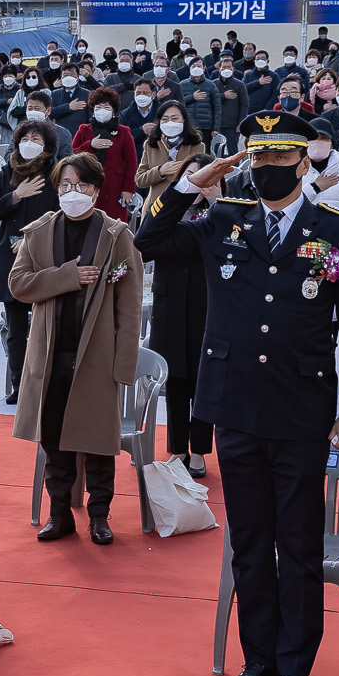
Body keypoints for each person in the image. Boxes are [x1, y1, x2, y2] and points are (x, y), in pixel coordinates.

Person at [135, 112, 339, 676]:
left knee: (296, 545)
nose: (266, 169)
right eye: (257, 159)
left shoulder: (336, 230)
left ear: (302, 161)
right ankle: (258, 660)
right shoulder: (222, 220)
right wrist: (189, 183)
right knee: (249, 543)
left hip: (300, 410)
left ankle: (296, 668)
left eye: (278, 159)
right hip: (236, 405)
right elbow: (149, 241)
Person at [8, 152, 143, 544]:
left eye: (81, 185)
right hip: (50, 354)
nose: (72, 192)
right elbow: (19, 285)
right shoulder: (39, 232)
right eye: (65, 185)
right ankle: (59, 513)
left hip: (96, 355)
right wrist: (68, 276)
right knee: (54, 438)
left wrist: (123, 366)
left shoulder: (117, 235)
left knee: (99, 439)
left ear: (96, 190)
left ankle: (100, 515)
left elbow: (130, 306)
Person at [145, 149, 214, 477]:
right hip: (170, 306)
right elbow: (146, 241)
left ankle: (199, 449)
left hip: (208, 307)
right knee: (175, 382)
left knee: (203, 381)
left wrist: (216, 201)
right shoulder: (167, 209)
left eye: (205, 175)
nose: (198, 181)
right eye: (191, 175)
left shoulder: (224, 212)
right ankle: (177, 448)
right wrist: (178, 196)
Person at [0, 119, 63, 404]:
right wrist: (16, 196)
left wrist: (34, 240)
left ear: (47, 145)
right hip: (11, 259)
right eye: (25, 137)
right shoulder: (7, 173)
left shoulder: (55, 174)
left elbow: (62, 216)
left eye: (37, 138)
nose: (30, 142)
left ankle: (48, 383)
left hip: (44, 258)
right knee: (16, 330)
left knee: (46, 326)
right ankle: (19, 385)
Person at [69, 86, 138, 219]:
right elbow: (72, 154)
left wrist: (128, 189)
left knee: (113, 223)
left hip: (114, 187)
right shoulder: (84, 130)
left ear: (113, 111)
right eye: (98, 107)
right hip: (87, 184)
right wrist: (90, 145)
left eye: (106, 107)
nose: (102, 111)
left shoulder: (123, 132)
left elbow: (131, 162)